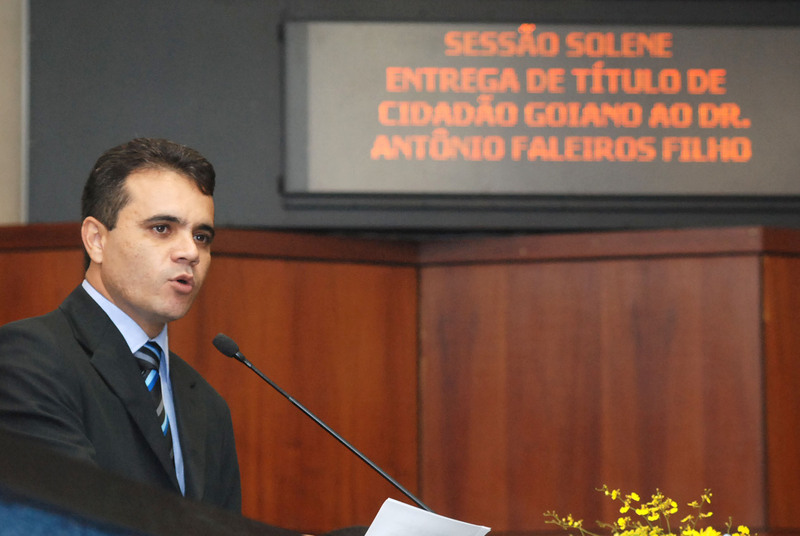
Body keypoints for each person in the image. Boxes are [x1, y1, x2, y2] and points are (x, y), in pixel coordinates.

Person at [0, 138, 241, 512]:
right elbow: (73, 519)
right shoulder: (28, 360)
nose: (191, 252)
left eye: (201, 236)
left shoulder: (209, 407)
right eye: (162, 228)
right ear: (96, 240)